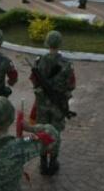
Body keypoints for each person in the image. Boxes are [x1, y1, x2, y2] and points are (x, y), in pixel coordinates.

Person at [30, 31, 75, 175]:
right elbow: (71, 85)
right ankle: (53, 162)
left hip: (42, 105)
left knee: (43, 131)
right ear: (60, 44)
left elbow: (34, 81)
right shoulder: (67, 64)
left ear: (47, 43)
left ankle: (43, 162)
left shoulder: (39, 61)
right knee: (55, 132)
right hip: (58, 105)